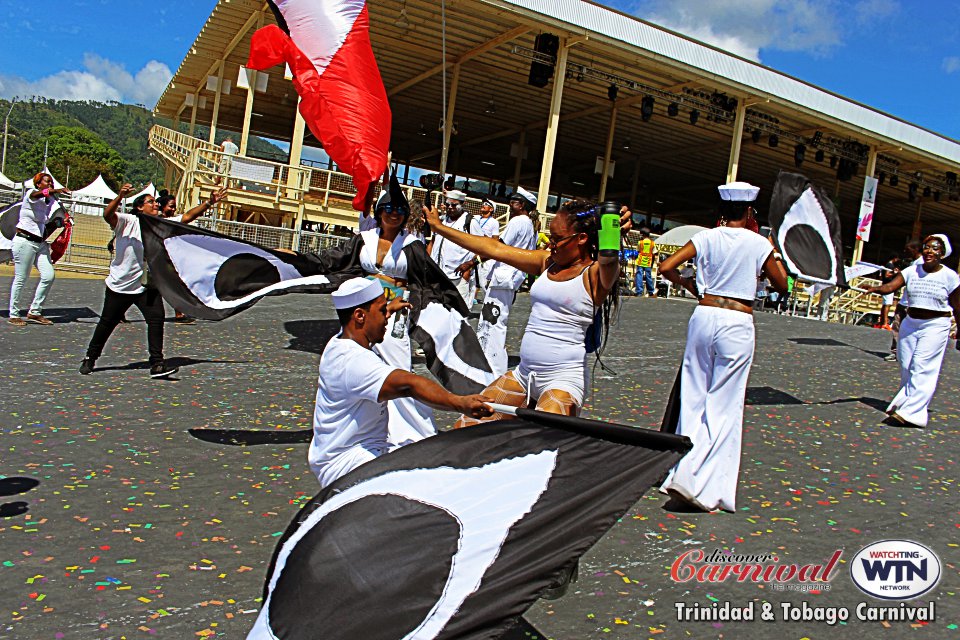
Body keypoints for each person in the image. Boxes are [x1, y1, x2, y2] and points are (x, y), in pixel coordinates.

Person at [425, 197, 631, 423]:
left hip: (561, 382)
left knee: (540, 446)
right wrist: (439, 228)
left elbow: (609, 261)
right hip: (523, 375)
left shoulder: (595, 276)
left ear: (582, 238)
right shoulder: (547, 262)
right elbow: (493, 248)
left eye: (557, 239)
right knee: (467, 426)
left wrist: (612, 230)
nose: (550, 244)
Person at [657, 182, 788, 513]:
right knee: (725, 404)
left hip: (704, 313)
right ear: (748, 211)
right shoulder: (758, 243)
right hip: (737, 320)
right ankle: (703, 484)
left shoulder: (706, 237)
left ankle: (681, 470)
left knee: (694, 396)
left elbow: (666, 267)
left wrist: (689, 284)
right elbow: (782, 283)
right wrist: (771, 252)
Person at [309, 277, 492, 488]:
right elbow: (409, 384)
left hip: (361, 451)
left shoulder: (341, 342)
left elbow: (367, 321)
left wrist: (387, 309)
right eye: (381, 311)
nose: (386, 318)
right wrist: (459, 402)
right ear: (360, 316)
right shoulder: (353, 361)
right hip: (348, 464)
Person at [79, 185, 179, 379]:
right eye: (150, 202)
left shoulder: (159, 223)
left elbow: (186, 218)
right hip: (121, 285)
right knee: (107, 323)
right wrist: (121, 196)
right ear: (140, 207)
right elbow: (107, 214)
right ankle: (90, 357)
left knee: (156, 320)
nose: (155, 204)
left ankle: (157, 364)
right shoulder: (127, 221)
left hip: (145, 285)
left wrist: (209, 202)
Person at [865, 234, 960, 428]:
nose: (929, 251)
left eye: (934, 248)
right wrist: (875, 289)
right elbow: (891, 287)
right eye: (926, 247)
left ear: (942, 253)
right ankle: (904, 402)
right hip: (911, 323)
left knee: (922, 365)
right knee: (907, 364)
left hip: (935, 325)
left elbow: (957, 306)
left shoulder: (950, 276)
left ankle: (913, 414)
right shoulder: (912, 271)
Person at [475, 187, 538, 376]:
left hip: (504, 276)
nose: (510, 205)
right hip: (511, 278)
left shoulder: (518, 221)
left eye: (514, 202)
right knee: (492, 318)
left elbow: (498, 247)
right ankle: (486, 357)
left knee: (493, 320)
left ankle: (493, 363)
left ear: (523, 205)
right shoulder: (530, 225)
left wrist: (475, 260)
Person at [157, 187, 228, 324]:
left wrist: (209, 203)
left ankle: (179, 313)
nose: (173, 210)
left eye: (174, 207)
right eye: (170, 207)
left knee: (175, 285)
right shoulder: (151, 221)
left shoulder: (172, 221)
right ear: (162, 207)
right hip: (153, 260)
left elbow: (189, 216)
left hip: (168, 261)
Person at [7, 173, 70, 326]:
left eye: (51, 183)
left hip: (39, 243)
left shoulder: (46, 204)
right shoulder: (31, 194)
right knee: (21, 278)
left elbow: (44, 225)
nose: (50, 184)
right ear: (38, 183)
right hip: (24, 241)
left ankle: (35, 311)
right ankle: (14, 313)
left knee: (48, 275)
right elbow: (38, 194)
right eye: (47, 182)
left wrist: (61, 222)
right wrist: (54, 191)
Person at [427, 189, 485, 306]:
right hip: (437, 275)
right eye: (448, 204)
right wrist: (426, 262)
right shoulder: (441, 221)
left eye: (454, 205)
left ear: (463, 204)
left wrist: (469, 265)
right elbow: (433, 242)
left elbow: (483, 249)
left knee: (458, 314)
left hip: (458, 278)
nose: (450, 207)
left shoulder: (470, 222)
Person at [886, 240, 923, 361]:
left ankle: (909, 353)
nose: (905, 252)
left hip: (913, 303)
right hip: (904, 301)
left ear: (915, 249)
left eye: (908, 249)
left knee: (911, 329)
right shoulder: (913, 263)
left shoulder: (921, 263)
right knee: (897, 326)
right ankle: (896, 351)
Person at [875, 256, 900, 329]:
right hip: (888, 286)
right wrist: (895, 273)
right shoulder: (890, 265)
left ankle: (882, 321)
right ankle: (885, 323)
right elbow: (887, 275)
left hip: (885, 286)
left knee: (885, 304)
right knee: (887, 304)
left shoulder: (888, 265)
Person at [635, 227, 657, 297]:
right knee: (648, 276)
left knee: (639, 276)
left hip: (640, 261)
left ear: (643, 234)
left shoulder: (640, 242)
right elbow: (654, 253)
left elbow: (638, 251)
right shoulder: (653, 243)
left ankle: (639, 292)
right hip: (648, 262)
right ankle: (651, 291)